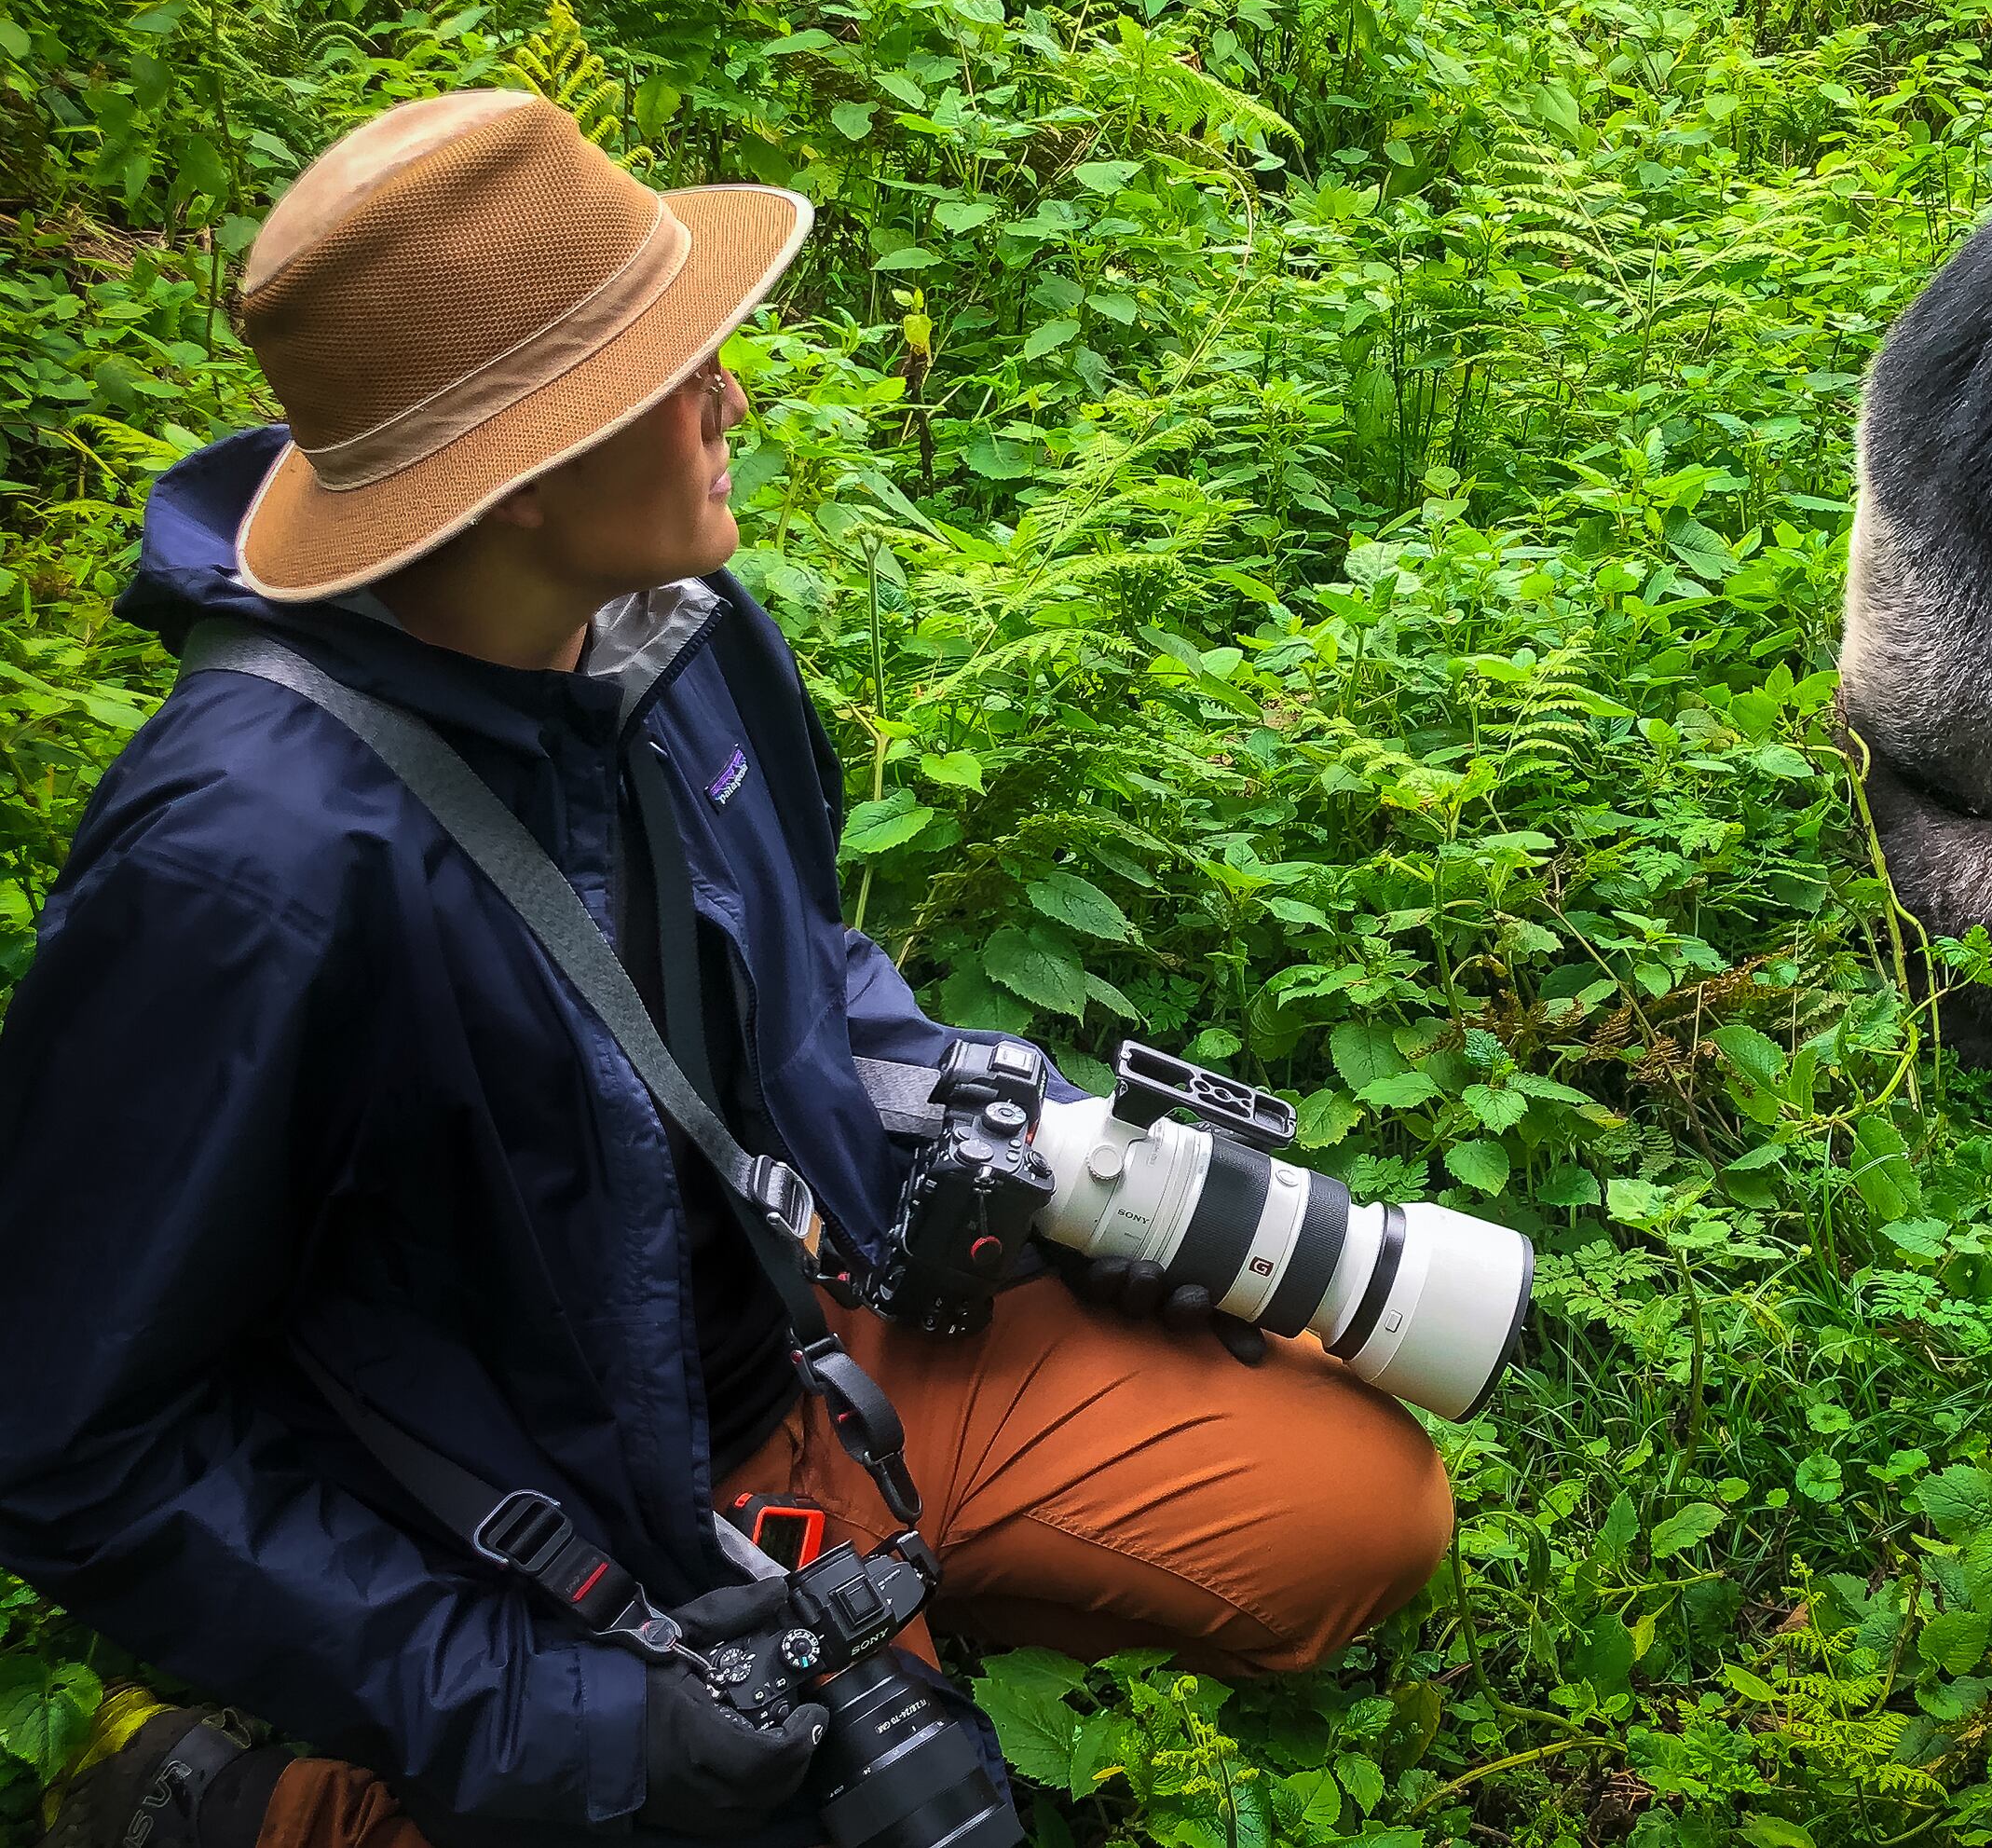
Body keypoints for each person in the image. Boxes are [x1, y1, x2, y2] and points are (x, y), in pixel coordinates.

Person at [0, 89, 1453, 1848]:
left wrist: (1035, 1157)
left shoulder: (666, 629)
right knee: (713, 1791)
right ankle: (248, 1807)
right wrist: (546, 1715)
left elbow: (795, 963)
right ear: (524, 474)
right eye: (675, 371)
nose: (735, 399)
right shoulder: (243, 865)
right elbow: (72, 1436)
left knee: (1354, 1509)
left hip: (808, 1337)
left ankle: (866, 1620)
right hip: (540, 1519)